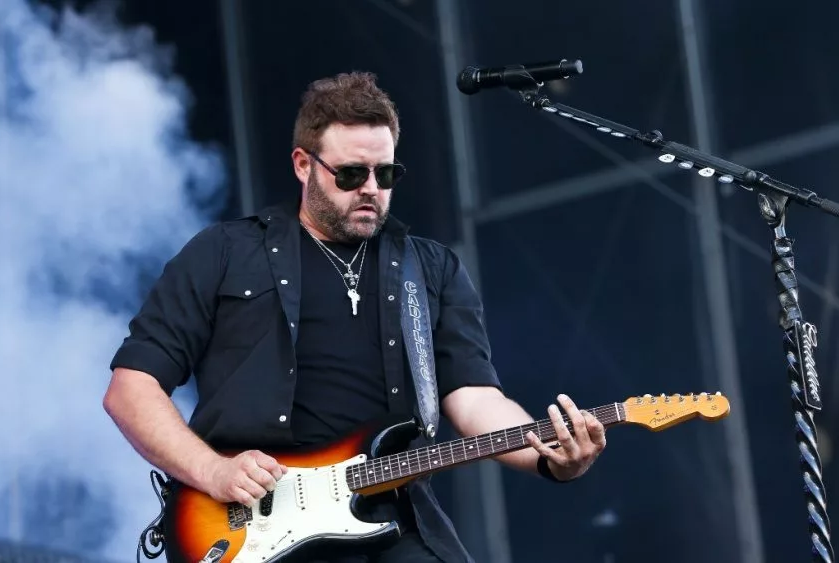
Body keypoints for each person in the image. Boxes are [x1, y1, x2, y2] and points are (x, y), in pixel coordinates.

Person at [103, 71, 607, 563]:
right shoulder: (225, 252)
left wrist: (549, 456)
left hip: (390, 516)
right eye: (351, 174)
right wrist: (212, 471)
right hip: (251, 521)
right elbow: (131, 389)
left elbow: (473, 397)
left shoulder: (430, 268)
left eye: (386, 174)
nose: (371, 188)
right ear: (303, 164)